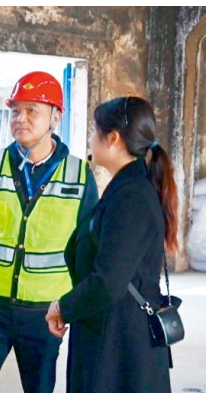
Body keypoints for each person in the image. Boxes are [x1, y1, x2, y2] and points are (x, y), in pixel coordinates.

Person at [0, 71, 98, 393]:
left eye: (32, 110)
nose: (20, 119)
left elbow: (86, 249)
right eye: (15, 111)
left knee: (39, 389)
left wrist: (69, 306)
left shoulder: (79, 175)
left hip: (44, 310)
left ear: (55, 117)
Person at [45, 96, 174, 392]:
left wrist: (63, 307)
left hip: (120, 345)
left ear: (113, 138)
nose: (91, 138)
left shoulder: (131, 196)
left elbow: (108, 281)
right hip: (113, 333)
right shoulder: (126, 187)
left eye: (95, 130)